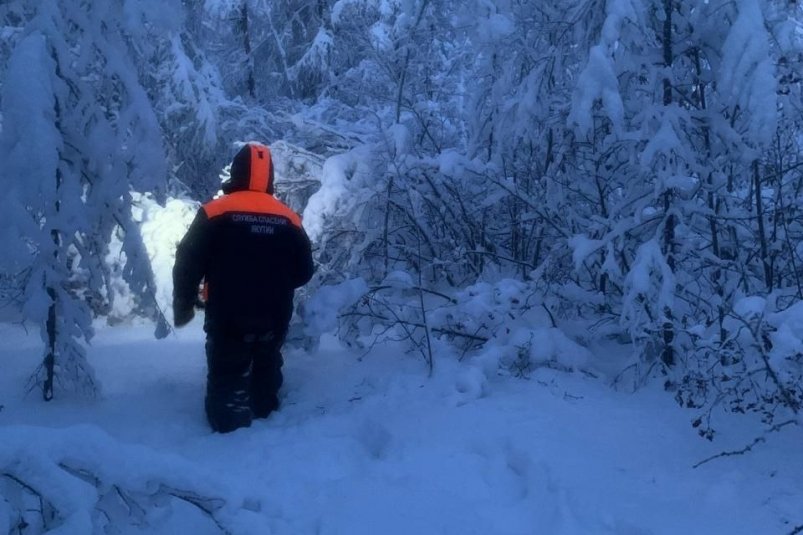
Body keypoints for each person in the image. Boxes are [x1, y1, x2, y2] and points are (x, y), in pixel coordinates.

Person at [172, 142, 314, 433]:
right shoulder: (289, 218)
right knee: (267, 363)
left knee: (227, 367)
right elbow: (304, 271)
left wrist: (184, 303)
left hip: (227, 313)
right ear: (269, 177)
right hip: (274, 314)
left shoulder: (215, 212)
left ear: (236, 172)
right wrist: (276, 285)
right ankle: (265, 412)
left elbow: (187, 262)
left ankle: (228, 426)